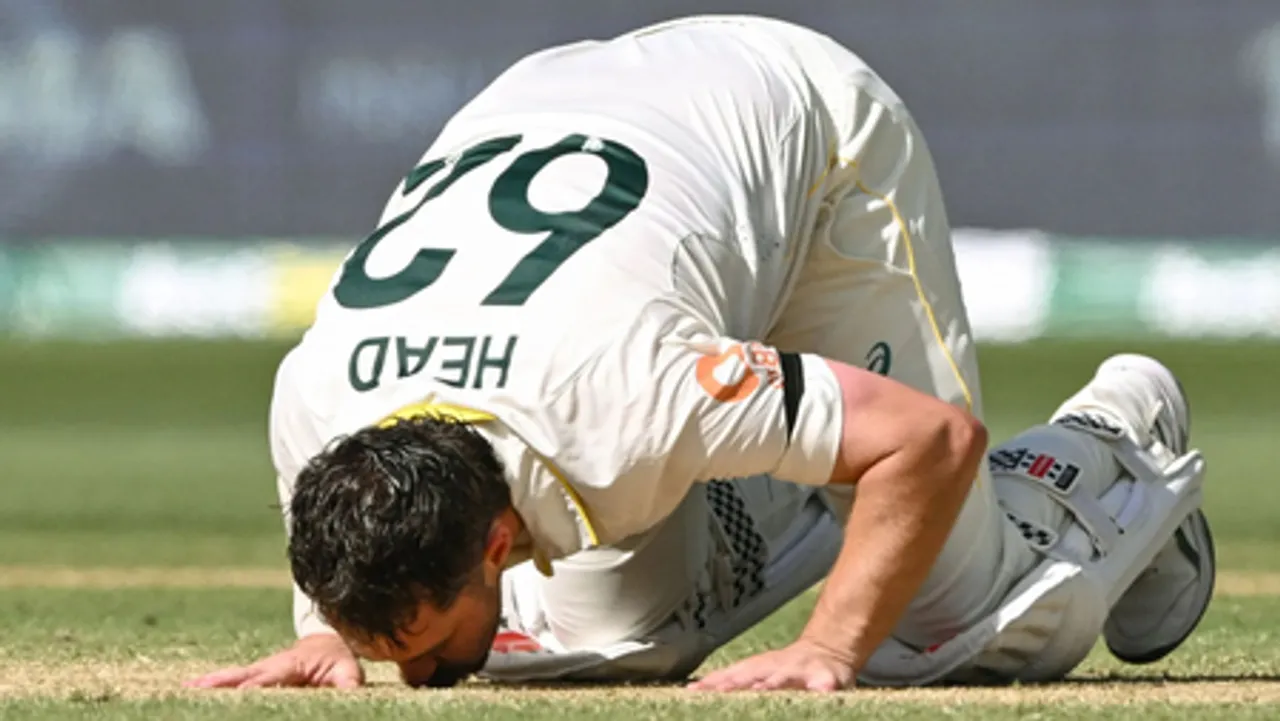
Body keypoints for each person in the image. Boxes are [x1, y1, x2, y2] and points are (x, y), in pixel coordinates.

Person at [187, 15, 1214, 692]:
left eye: (413, 647)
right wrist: (331, 637)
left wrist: (826, 649)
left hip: (804, 134)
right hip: (564, 101)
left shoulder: (629, 391)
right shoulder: (317, 395)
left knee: (950, 625)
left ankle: (1117, 431)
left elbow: (931, 441)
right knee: (595, 649)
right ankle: (809, 460)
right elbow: (342, 532)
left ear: (495, 539)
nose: (415, 685)